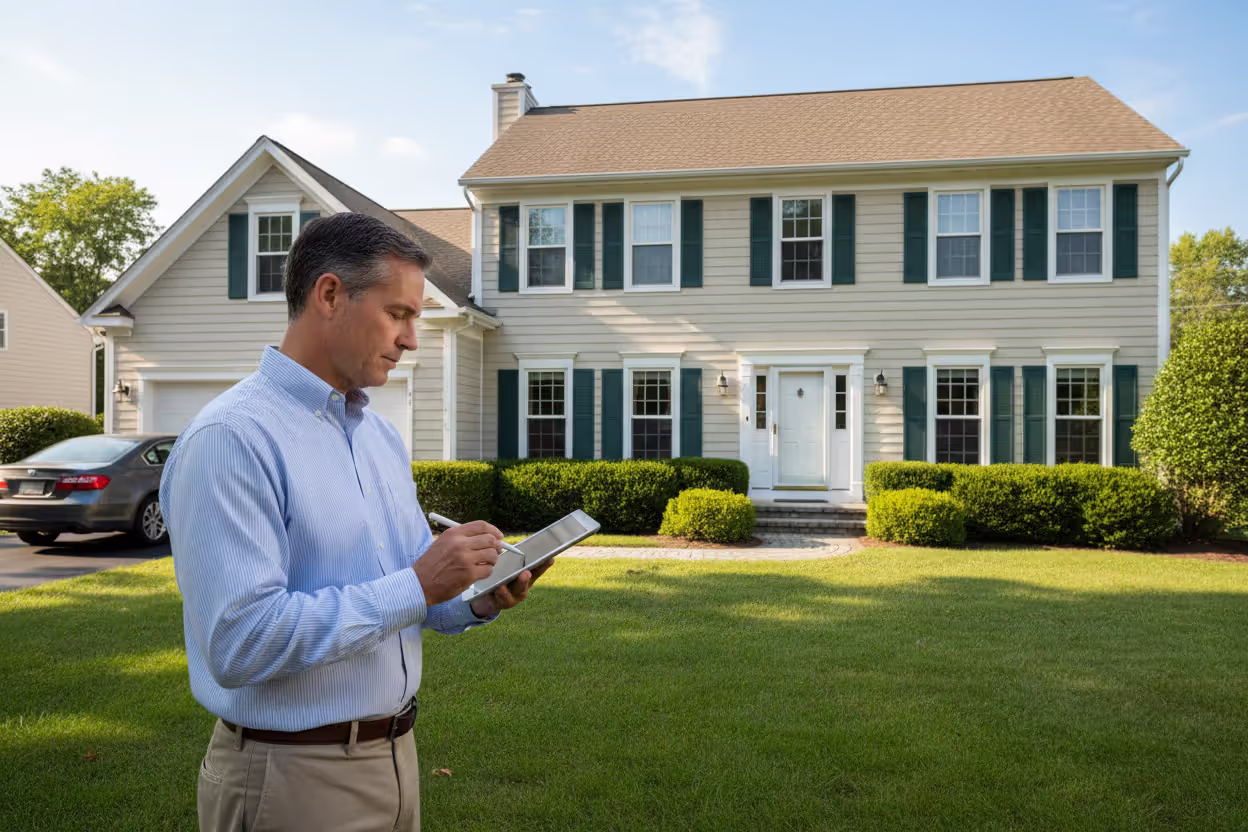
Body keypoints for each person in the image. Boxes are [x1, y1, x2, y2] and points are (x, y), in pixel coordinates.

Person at [160, 211, 549, 831]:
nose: (411, 338)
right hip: (290, 778)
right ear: (331, 294)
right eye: (398, 314)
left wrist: (475, 596)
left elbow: (405, 594)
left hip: (396, 759)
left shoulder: (379, 437)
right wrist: (420, 582)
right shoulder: (233, 438)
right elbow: (239, 642)